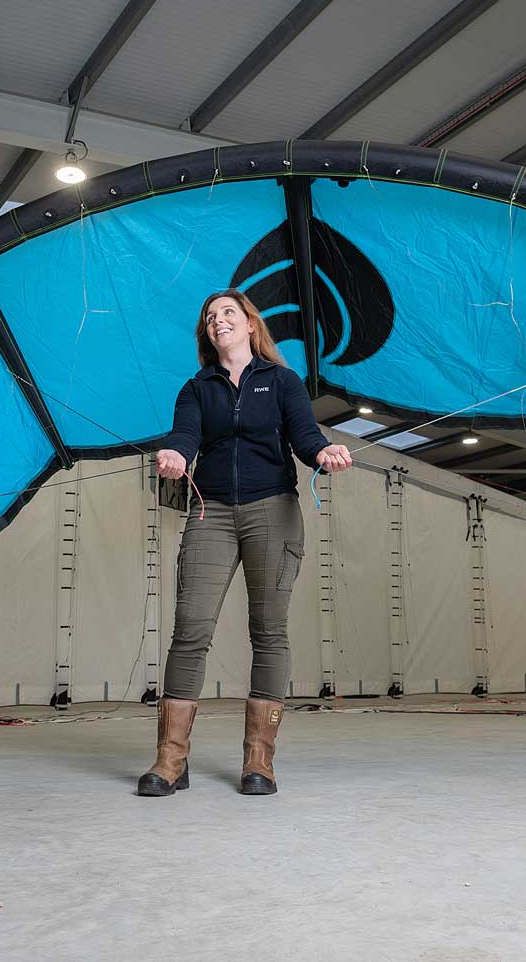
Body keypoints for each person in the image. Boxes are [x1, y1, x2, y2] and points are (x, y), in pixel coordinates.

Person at [138, 289, 353, 797]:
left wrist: (325, 452)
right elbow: (186, 434)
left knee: (269, 631)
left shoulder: (282, 381)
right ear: (206, 335)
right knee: (189, 630)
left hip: (272, 512)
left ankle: (259, 761)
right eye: (210, 317)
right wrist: (174, 452)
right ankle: (171, 761)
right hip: (210, 512)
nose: (218, 320)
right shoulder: (197, 388)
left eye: (227, 312)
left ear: (251, 324)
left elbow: (304, 438)